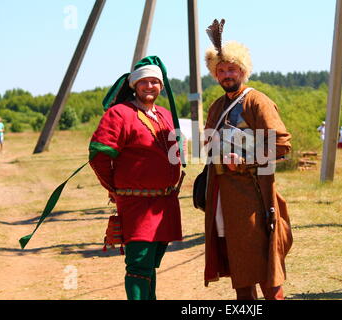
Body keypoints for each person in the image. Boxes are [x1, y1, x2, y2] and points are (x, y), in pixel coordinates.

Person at [202, 19, 293, 300]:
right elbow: (210, 146)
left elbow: (281, 144)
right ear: (215, 75)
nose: (227, 74)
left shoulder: (257, 102)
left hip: (254, 195)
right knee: (238, 266)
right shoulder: (217, 106)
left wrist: (243, 160)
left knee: (266, 266)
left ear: (243, 70)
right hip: (223, 197)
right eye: (221, 70)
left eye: (232, 69)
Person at [88, 57, 184, 300]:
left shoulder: (164, 114)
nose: (149, 86)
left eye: (154, 82)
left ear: (161, 86)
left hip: (165, 205)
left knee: (150, 264)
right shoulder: (119, 113)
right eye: (144, 82)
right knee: (138, 266)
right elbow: (99, 155)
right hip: (137, 205)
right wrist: (115, 187)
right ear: (134, 85)